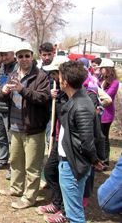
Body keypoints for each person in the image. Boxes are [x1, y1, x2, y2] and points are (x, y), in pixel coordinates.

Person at [0, 42, 50, 209]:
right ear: (16, 58)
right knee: (15, 161)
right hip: (14, 126)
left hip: (33, 128)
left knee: (32, 166)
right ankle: (16, 188)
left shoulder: (40, 76)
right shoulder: (13, 74)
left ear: (32, 56)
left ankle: (29, 197)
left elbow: (43, 98)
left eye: (27, 55)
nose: (24, 59)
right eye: (20, 56)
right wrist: (4, 91)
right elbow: (0, 95)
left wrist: (22, 90)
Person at [56, 61, 103, 223]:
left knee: (75, 214)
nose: (58, 80)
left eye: (60, 77)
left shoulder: (81, 105)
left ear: (65, 82)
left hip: (72, 165)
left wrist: (94, 160)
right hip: (69, 162)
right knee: (72, 210)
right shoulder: (76, 98)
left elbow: (87, 140)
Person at [36, 56, 69, 223]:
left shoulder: (74, 92)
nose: (53, 78)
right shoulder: (60, 91)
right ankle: (56, 203)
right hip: (58, 136)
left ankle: (65, 211)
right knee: (49, 170)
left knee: (64, 176)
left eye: (55, 74)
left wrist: (60, 100)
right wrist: (52, 97)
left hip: (69, 142)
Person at [98, 58, 119, 169]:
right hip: (100, 111)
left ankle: (105, 161)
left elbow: (108, 96)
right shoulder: (102, 80)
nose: (101, 70)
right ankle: (100, 159)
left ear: (108, 69)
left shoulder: (114, 83)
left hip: (107, 113)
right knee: (99, 136)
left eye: (102, 68)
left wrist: (98, 90)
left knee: (104, 137)